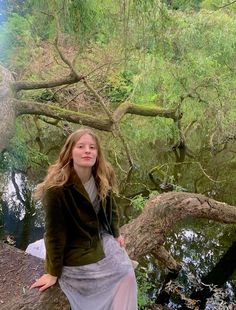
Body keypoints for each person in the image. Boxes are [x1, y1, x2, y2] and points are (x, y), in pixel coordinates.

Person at [30, 127, 138, 310]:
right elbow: (54, 234)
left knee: (126, 273)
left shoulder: (104, 174)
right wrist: (52, 273)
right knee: (98, 282)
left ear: (97, 153)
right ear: (70, 152)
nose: (87, 150)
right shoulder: (56, 189)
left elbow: (111, 209)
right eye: (81, 146)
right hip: (74, 246)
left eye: (92, 147)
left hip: (99, 236)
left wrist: (116, 233)